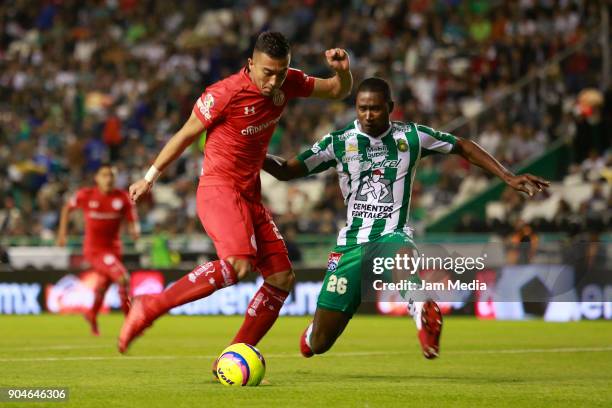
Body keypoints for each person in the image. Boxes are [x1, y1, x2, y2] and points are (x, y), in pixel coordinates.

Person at [262, 78, 550, 359]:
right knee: (319, 344)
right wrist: (252, 153)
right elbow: (288, 170)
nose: (368, 115)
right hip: (351, 245)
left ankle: (422, 313)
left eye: (375, 108)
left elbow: (462, 145)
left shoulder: (411, 137)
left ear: (390, 107)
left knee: (401, 257)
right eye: (362, 108)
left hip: (392, 234)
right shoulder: (339, 142)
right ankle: (313, 334)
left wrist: (507, 176)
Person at [118, 31, 353, 369]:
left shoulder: (290, 82)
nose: (274, 80)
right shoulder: (224, 94)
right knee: (238, 265)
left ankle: (230, 358)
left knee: (281, 278)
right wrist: (149, 176)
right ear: (250, 64)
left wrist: (343, 72)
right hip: (218, 188)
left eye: (281, 72)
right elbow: (185, 134)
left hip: (250, 194)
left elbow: (336, 90)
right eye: (267, 72)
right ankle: (150, 307)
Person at [56, 164, 140, 335]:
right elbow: (66, 208)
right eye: (104, 175)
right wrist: (62, 233)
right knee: (122, 278)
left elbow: (132, 219)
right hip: (94, 250)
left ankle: (91, 315)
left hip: (115, 250)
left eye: (110, 175)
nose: (108, 179)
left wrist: (134, 230)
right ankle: (131, 323)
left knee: (102, 286)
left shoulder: (122, 198)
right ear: (96, 178)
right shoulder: (86, 195)